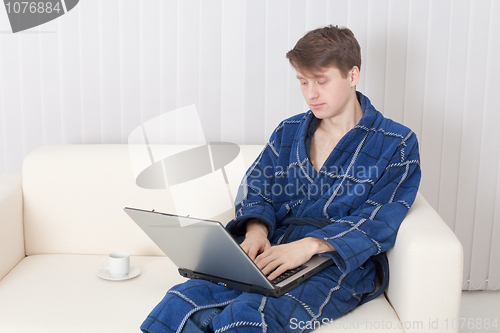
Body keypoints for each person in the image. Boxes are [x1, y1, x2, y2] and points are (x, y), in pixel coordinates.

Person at [141, 25, 421, 333]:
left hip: (337, 261)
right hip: (273, 246)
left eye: (321, 80)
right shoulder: (289, 131)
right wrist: (257, 232)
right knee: (180, 302)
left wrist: (310, 246)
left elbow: (379, 220)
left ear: (352, 76)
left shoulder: (397, 142)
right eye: (303, 81)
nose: (310, 93)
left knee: (248, 316)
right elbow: (257, 188)